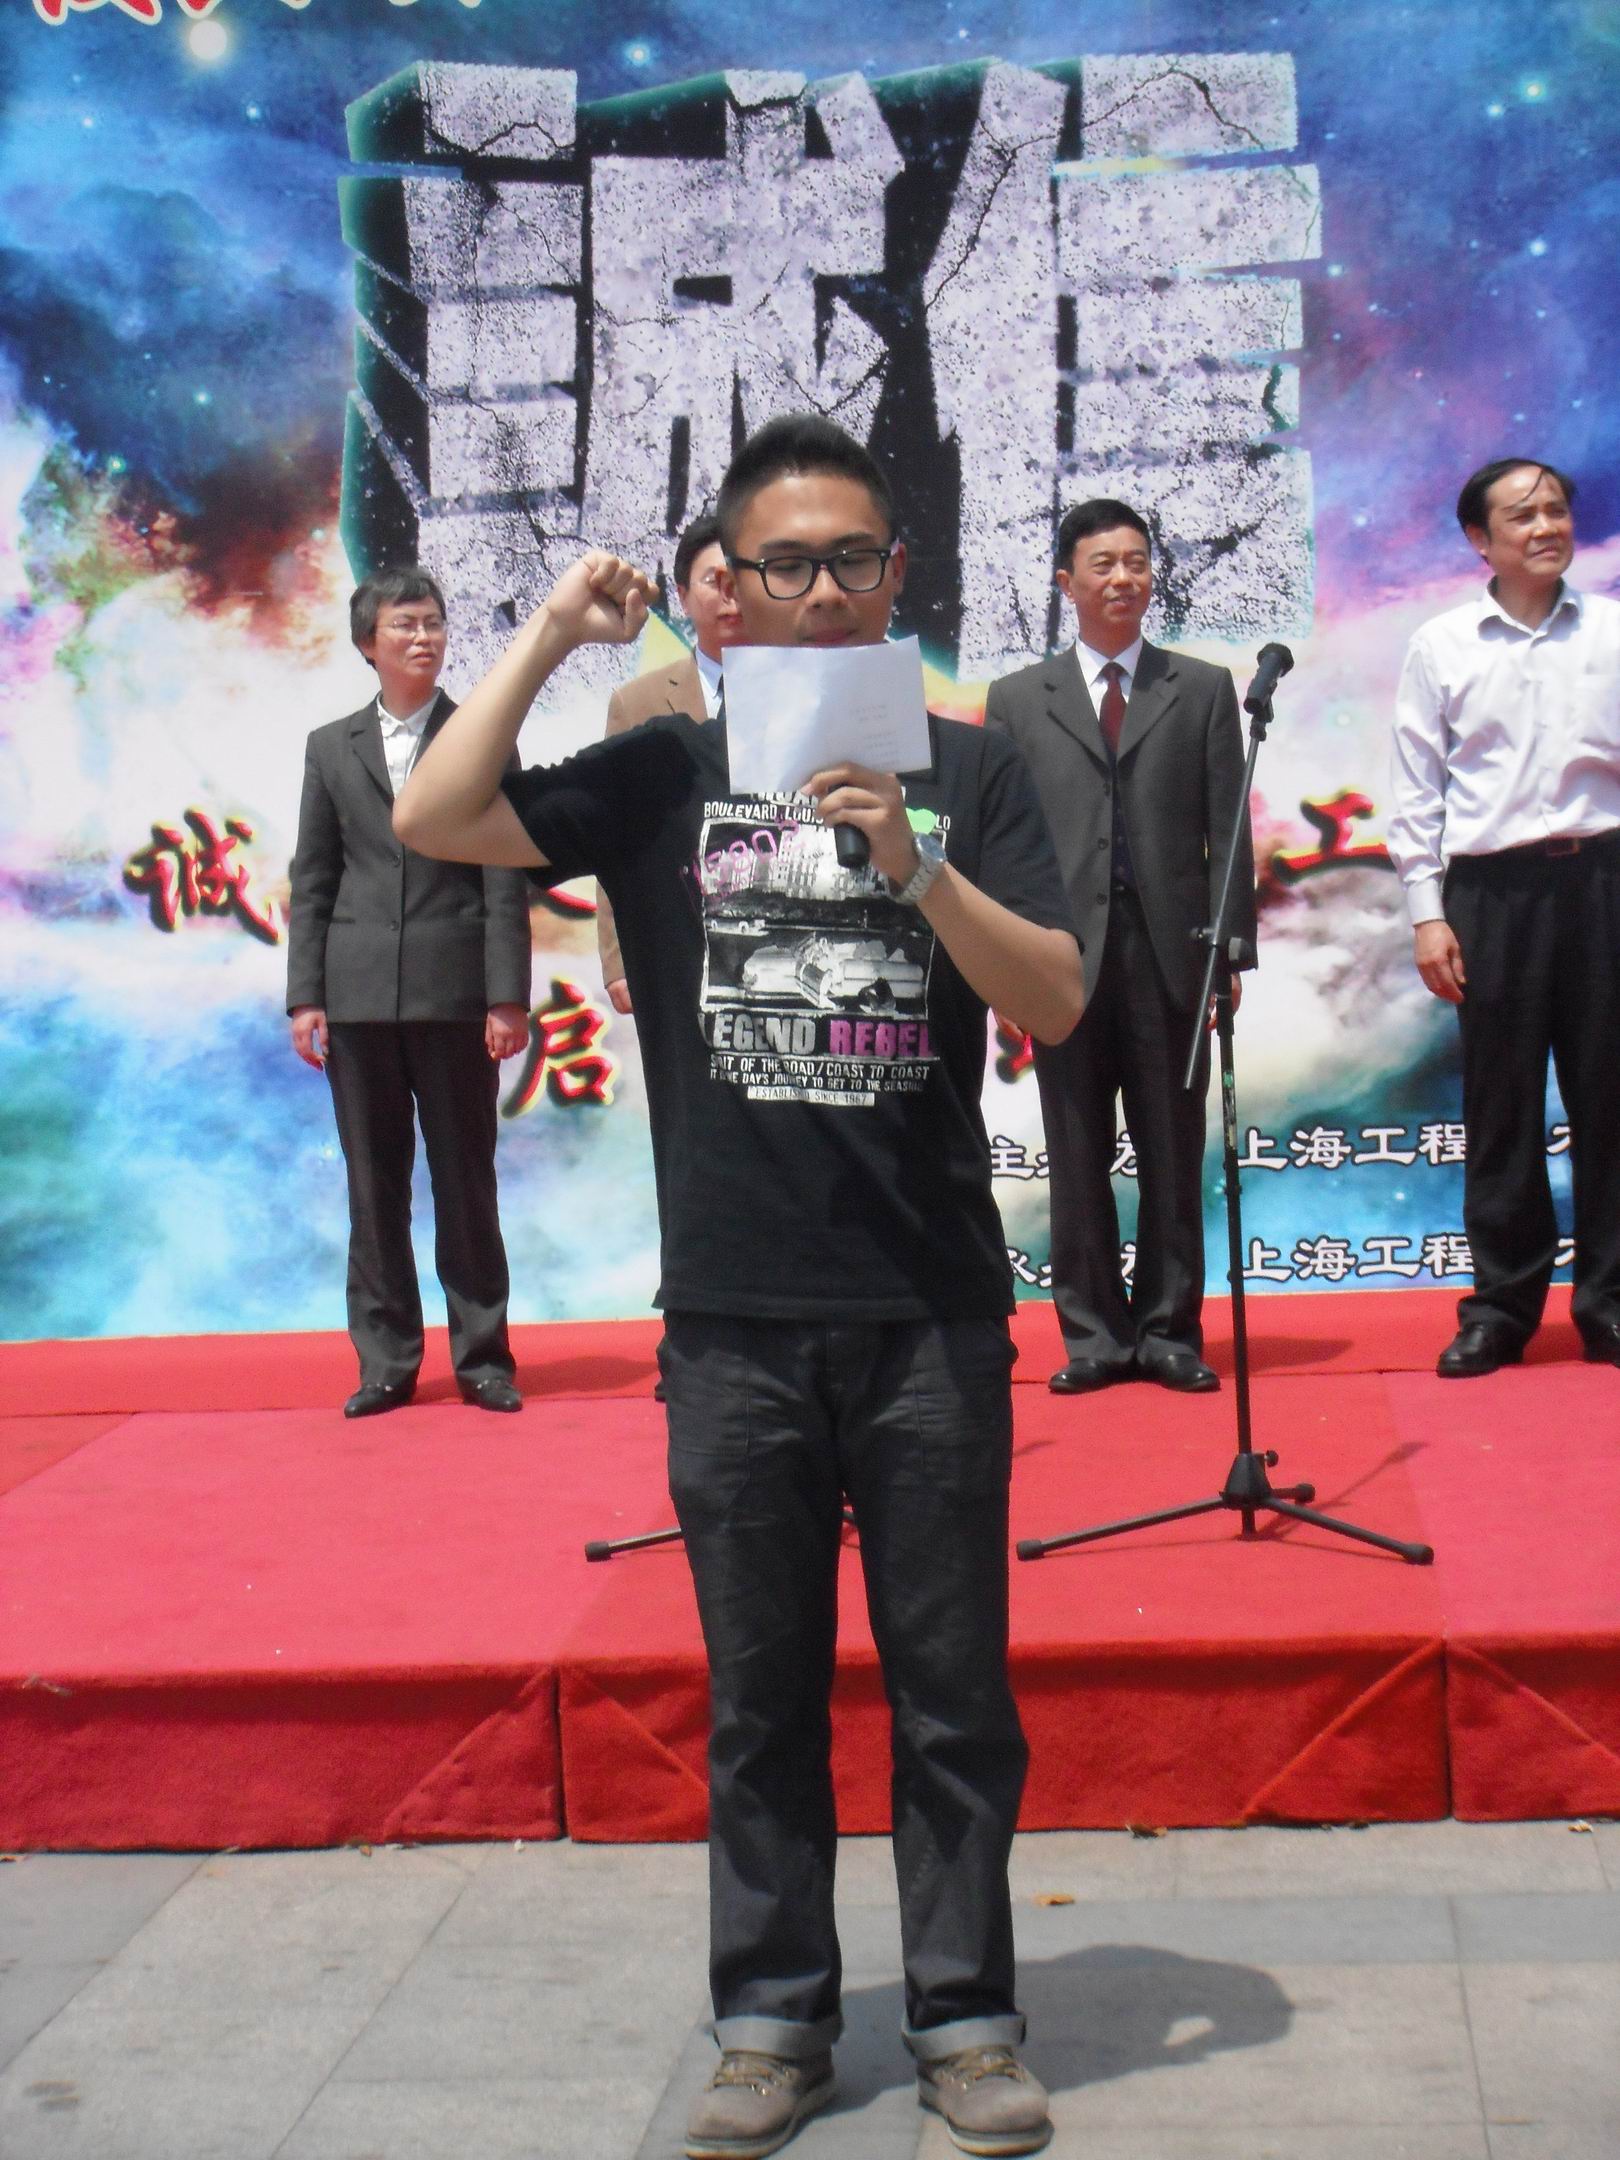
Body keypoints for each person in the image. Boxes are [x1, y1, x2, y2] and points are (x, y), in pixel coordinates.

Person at [395, 415, 1083, 2159]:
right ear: (730, 589)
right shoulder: (662, 772)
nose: (821, 590)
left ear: (898, 573)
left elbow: (1060, 997)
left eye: (852, 559)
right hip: (732, 1317)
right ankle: (773, 2018)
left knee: (952, 1695)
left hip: (931, 1310)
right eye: (786, 564)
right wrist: (550, 636)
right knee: (761, 1695)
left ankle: (966, 2014)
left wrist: (917, 865)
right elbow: (433, 810)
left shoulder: (973, 763)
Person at [984, 500, 1254, 1397]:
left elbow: (1229, 829)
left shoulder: (1201, 687)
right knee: (1076, 1149)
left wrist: (1229, 955)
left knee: (1172, 1150)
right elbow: (1001, 840)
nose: (1123, 579)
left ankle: (1171, 1329)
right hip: (1061, 957)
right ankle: (1094, 1333)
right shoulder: (1019, 699)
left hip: (1173, 952)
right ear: (1067, 582)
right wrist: (1006, 961)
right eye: (1103, 564)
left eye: (1137, 562)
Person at [1389, 458, 1620, 1377]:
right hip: (1492, 893)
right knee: (1501, 1107)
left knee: (1611, 1098)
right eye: (1522, 516)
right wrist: (1426, 913)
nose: (1545, 527)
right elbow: (1417, 789)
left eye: (1556, 510)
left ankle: (1609, 1303)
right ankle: (1501, 1308)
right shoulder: (1443, 645)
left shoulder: (1611, 629)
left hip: (1605, 879)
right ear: (1480, 539)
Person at [286, 568, 532, 1418]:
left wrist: (506, 996)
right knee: (373, 1185)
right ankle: (386, 1362)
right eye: (405, 625)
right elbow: (314, 878)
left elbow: (505, 871)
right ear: (369, 644)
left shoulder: (481, 736)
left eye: (433, 623)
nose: (423, 638)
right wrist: (305, 996)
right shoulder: (331, 746)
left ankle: (483, 1358)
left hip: (455, 995)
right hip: (356, 997)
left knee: (467, 1182)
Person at [598, 511, 742, 1016]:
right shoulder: (638, 703)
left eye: (743, 579)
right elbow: (613, 835)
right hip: (672, 943)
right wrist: (618, 957)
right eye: (714, 581)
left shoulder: (806, 694)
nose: (731, 596)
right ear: (682, 595)